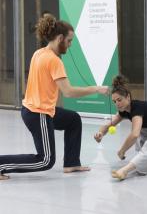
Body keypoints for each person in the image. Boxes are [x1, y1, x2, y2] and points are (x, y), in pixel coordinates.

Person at [0, 14, 109, 180]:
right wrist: (96, 89)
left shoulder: (39, 53)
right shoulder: (54, 61)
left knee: (73, 120)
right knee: (45, 160)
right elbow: (69, 92)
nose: (70, 45)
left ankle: (71, 163)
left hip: (37, 110)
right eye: (69, 41)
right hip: (38, 114)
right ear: (60, 38)